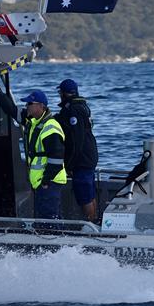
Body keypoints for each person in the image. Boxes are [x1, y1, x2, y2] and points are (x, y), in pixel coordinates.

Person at [0, 80, 67, 219]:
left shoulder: (51, 127)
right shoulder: (31, 121)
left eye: (30, 104)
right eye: (27, 103)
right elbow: (11, 109)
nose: (27, 106)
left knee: (49, 220)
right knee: (45, 218)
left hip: (50, 183)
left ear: (41, 106)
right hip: (40, 183)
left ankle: (55, 240)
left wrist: (46, 182)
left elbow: (56, 159)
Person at [55, 78, 99, 222]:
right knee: (89, 193)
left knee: (85, 194)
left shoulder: (74, 110)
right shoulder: (81, 106)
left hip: (82, 159)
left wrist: (70, 164)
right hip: (89, 155)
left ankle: (90, 225)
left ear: (63, 93)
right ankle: (93, 222)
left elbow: (77, 139)